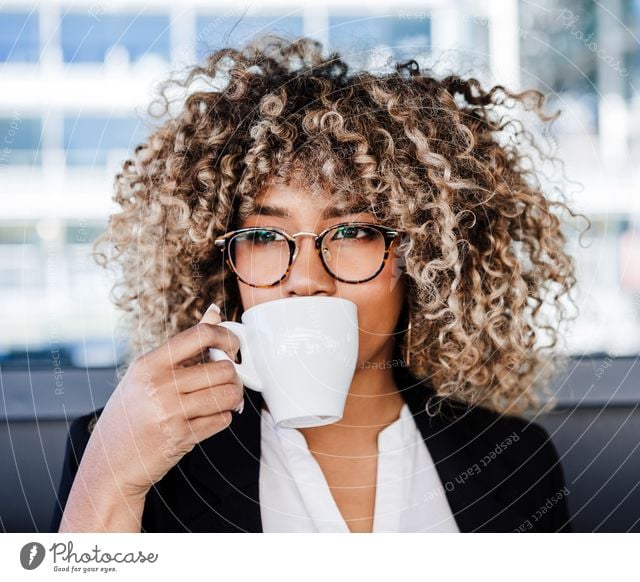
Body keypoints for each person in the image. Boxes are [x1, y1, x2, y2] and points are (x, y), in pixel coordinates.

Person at [51, 34, 578, 533]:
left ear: (422, 255)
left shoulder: (514, 460)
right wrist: (111, 476)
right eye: (264, 236)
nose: (306, 279)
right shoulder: (137, 456)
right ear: (223, 267)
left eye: (351, 231)